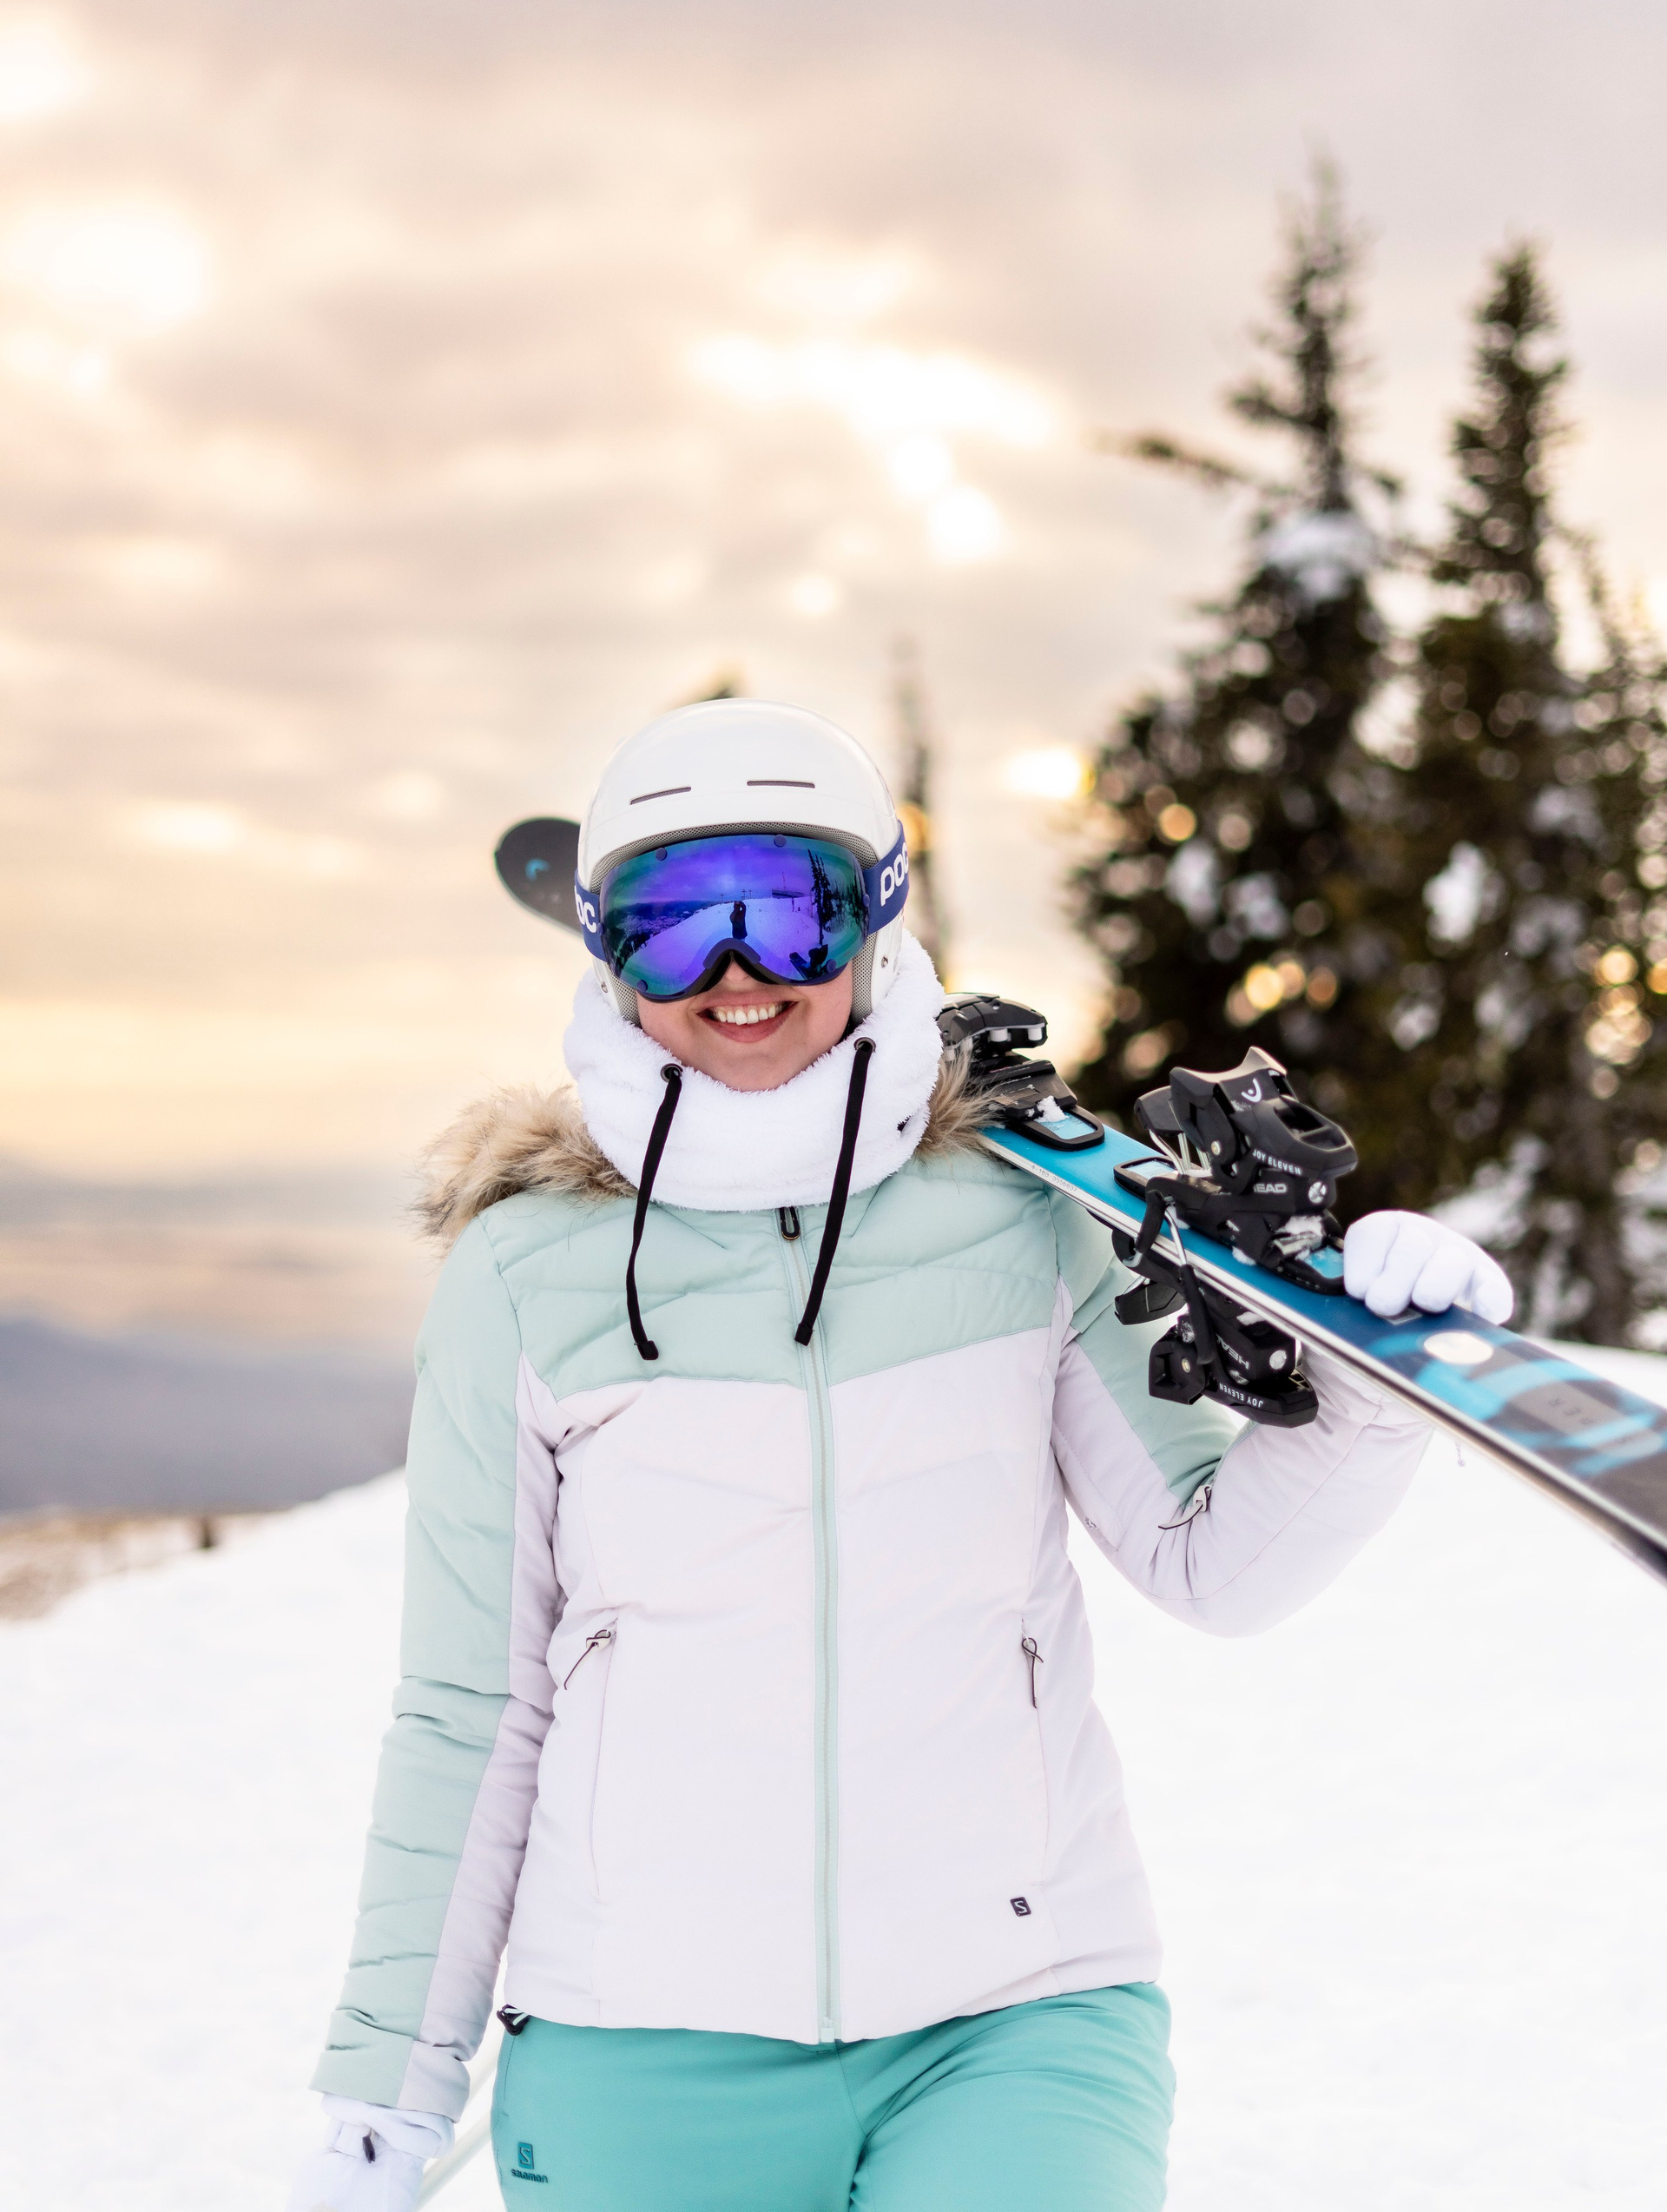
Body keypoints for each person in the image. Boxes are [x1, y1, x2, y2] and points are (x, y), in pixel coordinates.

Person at [287, 698, 1511, 2212]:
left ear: (875, 915)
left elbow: (1218, 1569)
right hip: (637, 2038)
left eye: (789, 912)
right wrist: (385, 2090)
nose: (737, 974)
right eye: (676, 927)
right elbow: (474, 1708)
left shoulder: (1027, 1211)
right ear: (605, 951)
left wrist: (1374, 1388)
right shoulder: (527, 1272)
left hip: (1017, 2015)